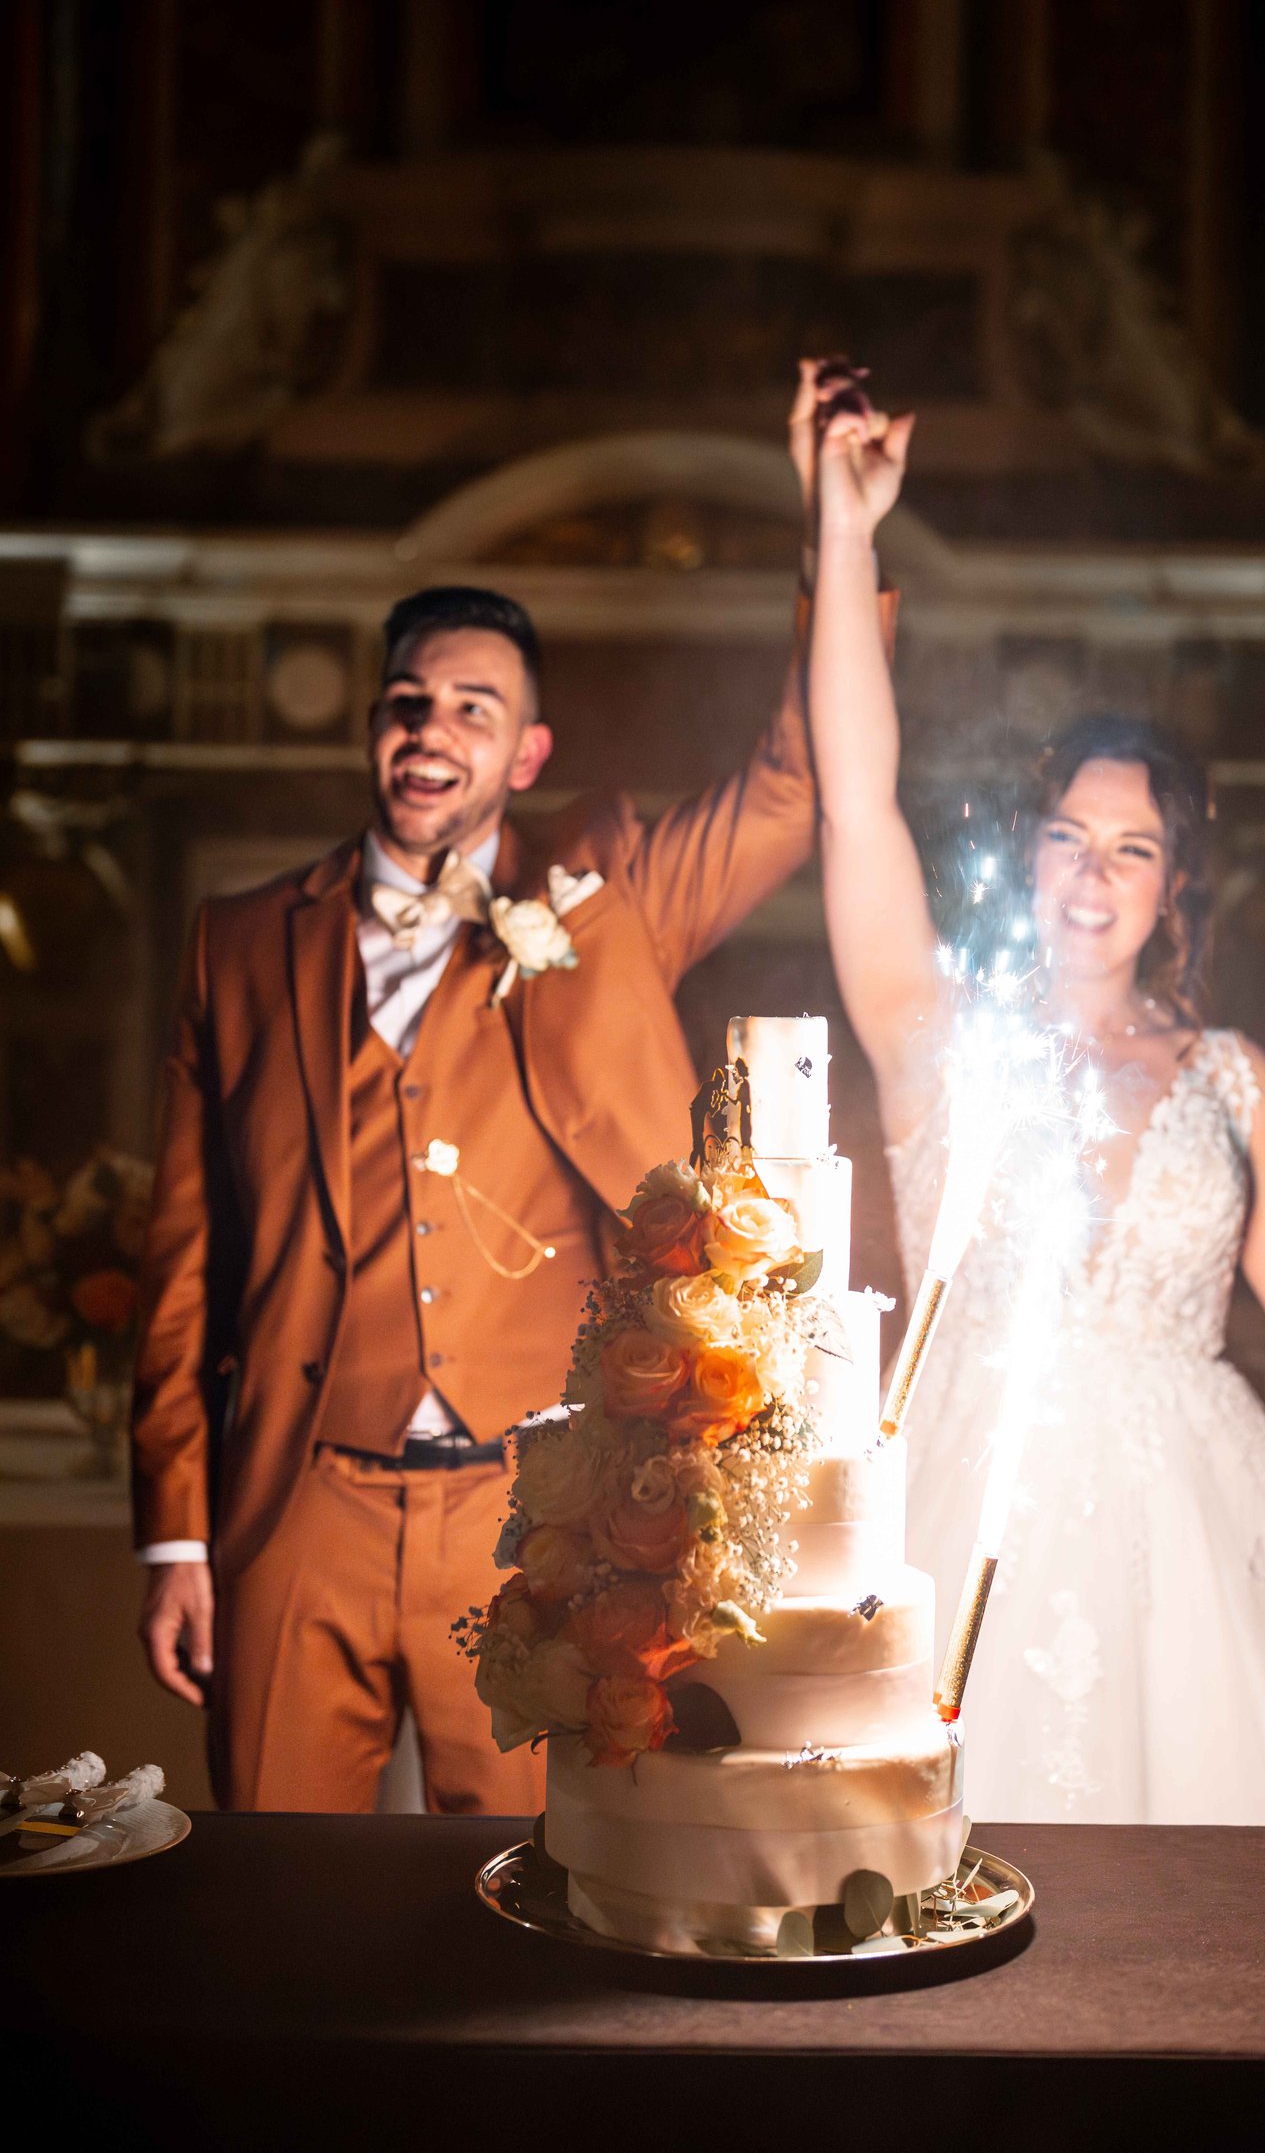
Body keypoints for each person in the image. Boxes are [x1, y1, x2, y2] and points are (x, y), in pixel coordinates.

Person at [131, 379, 897, 1814]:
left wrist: (839, 530)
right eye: (408, 703)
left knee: (532, 1896)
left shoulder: (609, 902)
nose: (432, 730)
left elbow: (793, 789)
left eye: (473, 709)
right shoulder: (236, 945)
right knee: (271, 1898)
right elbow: (185, 1267)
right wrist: (176, 1538)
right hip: (297, 1509)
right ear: (375, 728)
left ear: (527, 753)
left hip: (535, 1516)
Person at [806, 392, 1265, 1823]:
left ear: (1174, 886)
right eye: (1067, 838)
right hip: (970, 1497)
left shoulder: (1235, 1080)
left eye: (1133, 849)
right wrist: (844, 530)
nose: (1094, 875)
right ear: (1031, 859)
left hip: (1199, 1540)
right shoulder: (937, 1035)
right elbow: (856, 802)